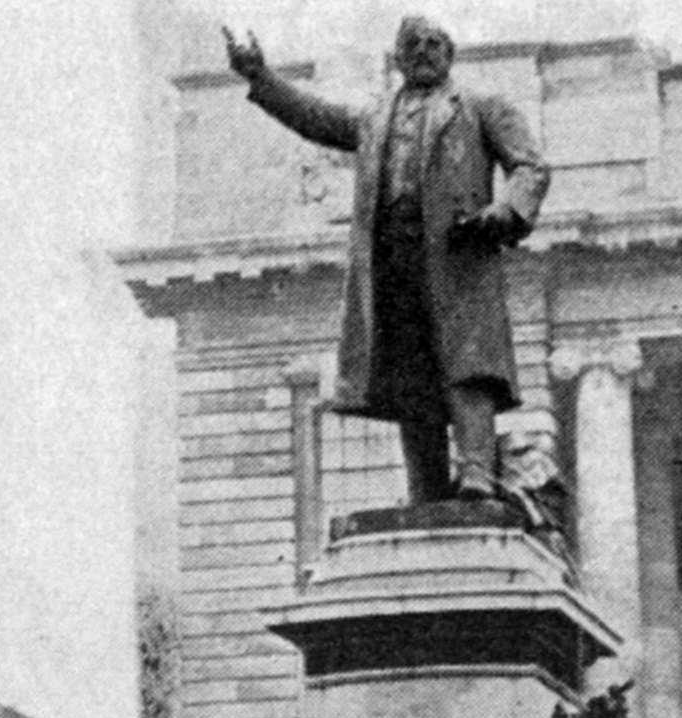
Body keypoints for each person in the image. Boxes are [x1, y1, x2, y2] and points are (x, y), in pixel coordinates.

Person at [224, 13, 548, 506]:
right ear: (396, 57)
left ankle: (477, 472)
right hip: (393, 265)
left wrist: (505, 211)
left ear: (451, 53)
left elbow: (529, 166)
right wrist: (260, 78)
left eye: (435, 42)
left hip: (457, 260)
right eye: (413, 43)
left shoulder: (482, 107)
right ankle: (427, 488)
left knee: (468, 368)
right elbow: (316, 118)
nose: (424, 49)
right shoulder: (374, 118)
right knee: (410, 376)